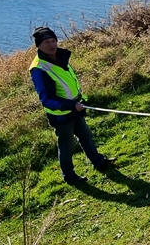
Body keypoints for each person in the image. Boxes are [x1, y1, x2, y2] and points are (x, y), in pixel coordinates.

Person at [29, 26, 114, 185]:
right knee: (67, 147)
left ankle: (99, 162)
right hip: (61, 115)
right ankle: (69, 176)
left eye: (53, 40)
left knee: (86, 136)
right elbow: (47, 100)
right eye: (46, 42)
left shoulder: (61, 56)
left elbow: (69, 83)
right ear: (38, 45)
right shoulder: (38, 69)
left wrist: (80, 100)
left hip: (76, 107)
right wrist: (71, 105)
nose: (51, 44)